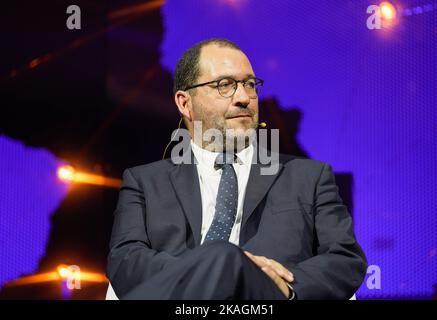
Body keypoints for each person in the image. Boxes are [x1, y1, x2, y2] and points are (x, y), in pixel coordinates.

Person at [106, 38, 367, 300]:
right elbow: (125, 261)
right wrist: (220, 270)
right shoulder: (144, 182)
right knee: (223, 255)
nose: (244, 98)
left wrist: (284, 286)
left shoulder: (309, 177)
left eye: (250, 85)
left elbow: (345, 259)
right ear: (185, 103)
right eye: (225, 85)